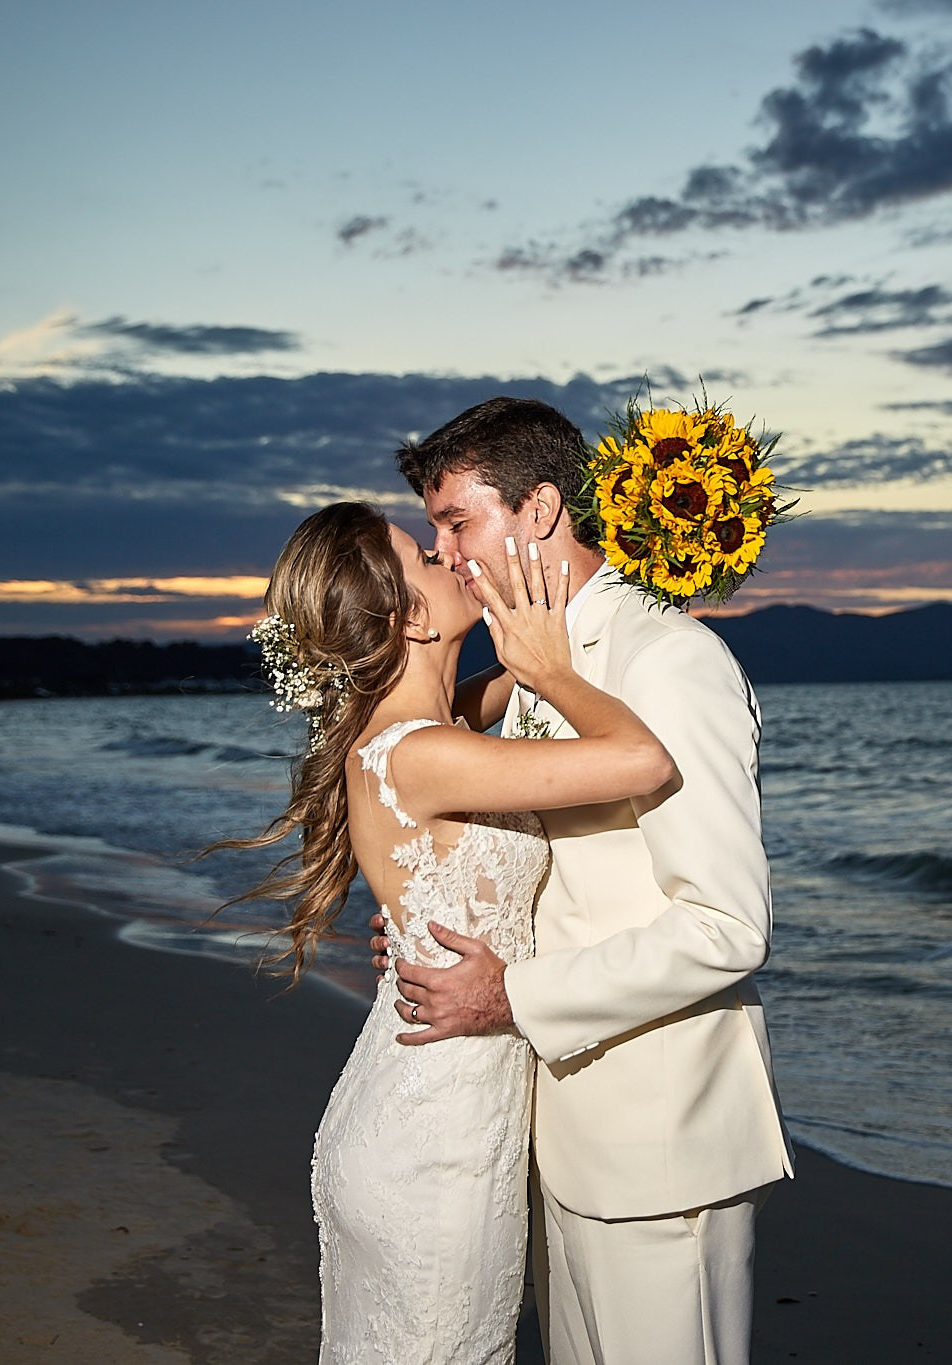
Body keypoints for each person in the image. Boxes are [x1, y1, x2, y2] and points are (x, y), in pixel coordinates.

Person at [373, 396, 794, 1365]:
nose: (441, 555)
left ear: (540, 511)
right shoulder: (525, 668)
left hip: (659, 1146)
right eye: (433, 530)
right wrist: (431, 924)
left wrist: (505, 993)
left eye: (455, 522)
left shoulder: (669, 663)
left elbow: (725, 926)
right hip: (554, 1133)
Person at [215, 500, 674, 1364]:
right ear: (410, 617)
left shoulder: (431, 727)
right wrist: (556, 670)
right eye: (426, 556)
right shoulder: (424, 751)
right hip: (437, 1142)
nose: (446, 554)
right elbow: (643, 760)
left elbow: (517, 666)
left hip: (426, 1104)